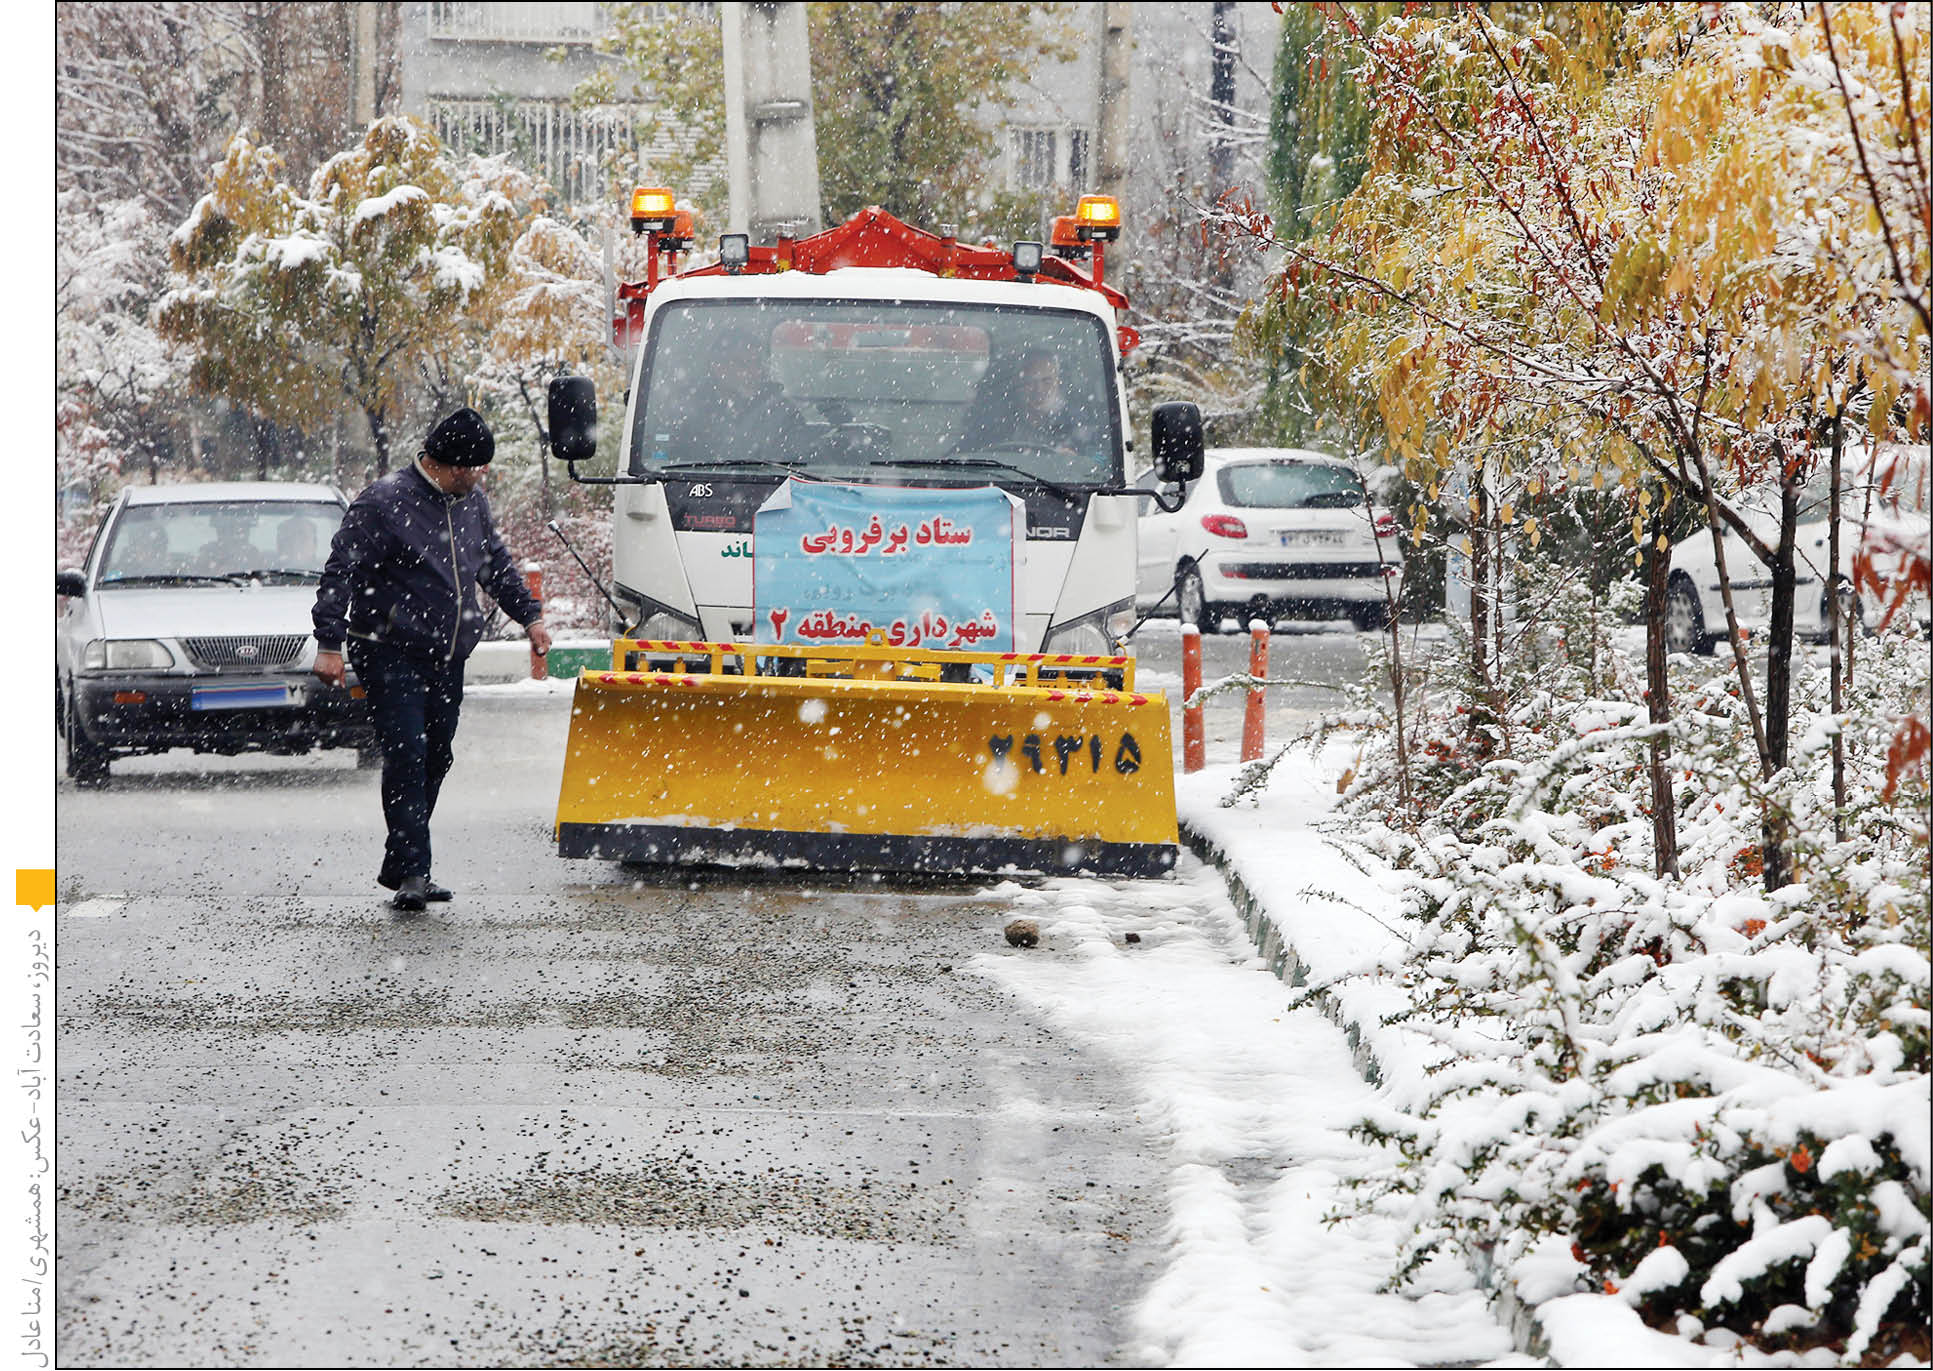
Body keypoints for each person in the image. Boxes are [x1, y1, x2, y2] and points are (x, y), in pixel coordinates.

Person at [311, 408, 552, 911]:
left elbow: (495, 566)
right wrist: (329, 644)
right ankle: (415, 871)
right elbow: (341, 573)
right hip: (388, 650)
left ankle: (401, 862)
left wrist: (530, 618)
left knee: (437, 754)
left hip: (448, 655)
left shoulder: (471, 502)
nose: (479, 478)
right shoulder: (382, 502)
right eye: (475, 469)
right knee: (408, 753)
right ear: (454, 465)